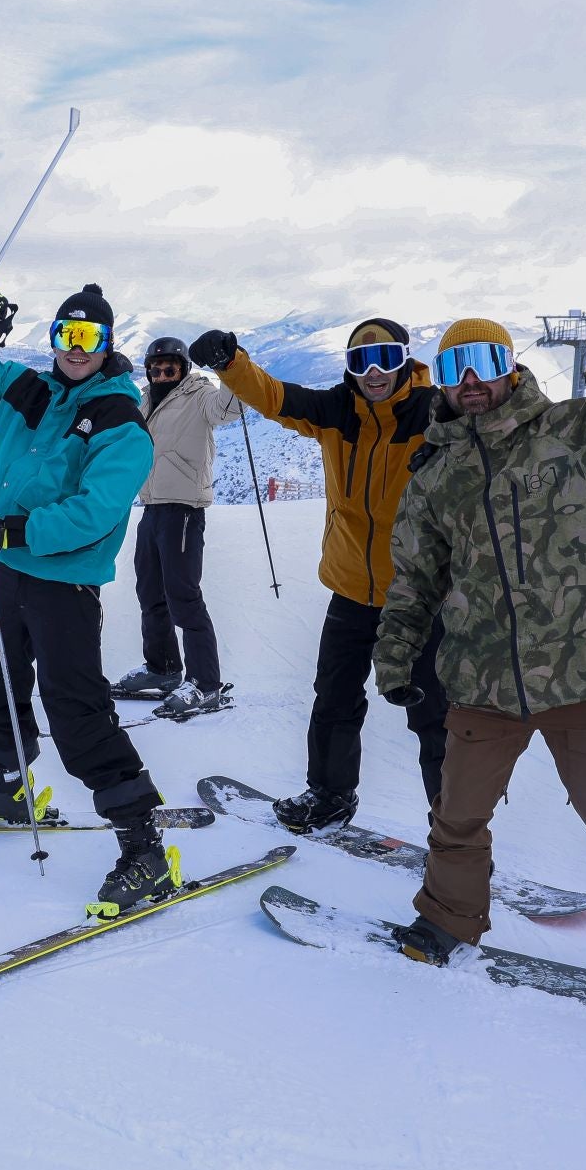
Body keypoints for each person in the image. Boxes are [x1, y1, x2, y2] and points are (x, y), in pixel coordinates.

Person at [372, 255, 586, 1028]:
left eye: (485, 361)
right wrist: (395, 660)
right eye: (455, 365)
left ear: (510, 367)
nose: (470, 379)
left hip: (585, 676)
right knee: (456, 816)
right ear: (442, 378)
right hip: (483, 683)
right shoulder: (435, 475)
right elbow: (414, 579)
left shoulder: (581, 435)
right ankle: (446, 921)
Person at [0, 281, 168, 918]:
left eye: (89, 338)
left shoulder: (122, 422)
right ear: (54, 338)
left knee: (75, 708)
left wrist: (9, 530)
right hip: (8, 572)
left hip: (64, 581)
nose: (75, 349)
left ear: (109, 344)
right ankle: (11, 790)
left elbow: (95, 512)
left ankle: (144, 846)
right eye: (66, 335)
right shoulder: (27, 391)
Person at [188, 319, 447, 831]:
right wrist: (229, 363)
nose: (374, 372)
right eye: (360, 362)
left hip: (423, 595)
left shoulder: (435, 413)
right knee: (334, 699)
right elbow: (276, 396)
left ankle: (454, 824)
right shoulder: (337, 411)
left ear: (407, 362)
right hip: (351, 589)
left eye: (387, 358)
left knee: (437, 718)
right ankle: (328, 796)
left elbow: (498, 417)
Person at [108, 336, 244, 718]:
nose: (162, 374)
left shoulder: (199, 394)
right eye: (155, 369)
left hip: (183, 510)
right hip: (151, 507)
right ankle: (163, 669)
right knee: (150, 592)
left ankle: (205, 682)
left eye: (170, 368)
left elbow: (230, 408)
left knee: (183, 595)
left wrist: (228, 366)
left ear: (183, 368)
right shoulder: (145, 399)